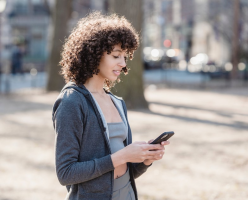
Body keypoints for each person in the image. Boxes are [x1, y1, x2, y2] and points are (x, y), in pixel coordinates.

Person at [52, 12, 170, 200]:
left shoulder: (117, 102)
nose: (123, 64)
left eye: (125, 56)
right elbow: (66, 173)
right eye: (116, 55)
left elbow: (121, 172)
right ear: (95, 53)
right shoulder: (72, 102)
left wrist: (145, 159)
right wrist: (123, 155)